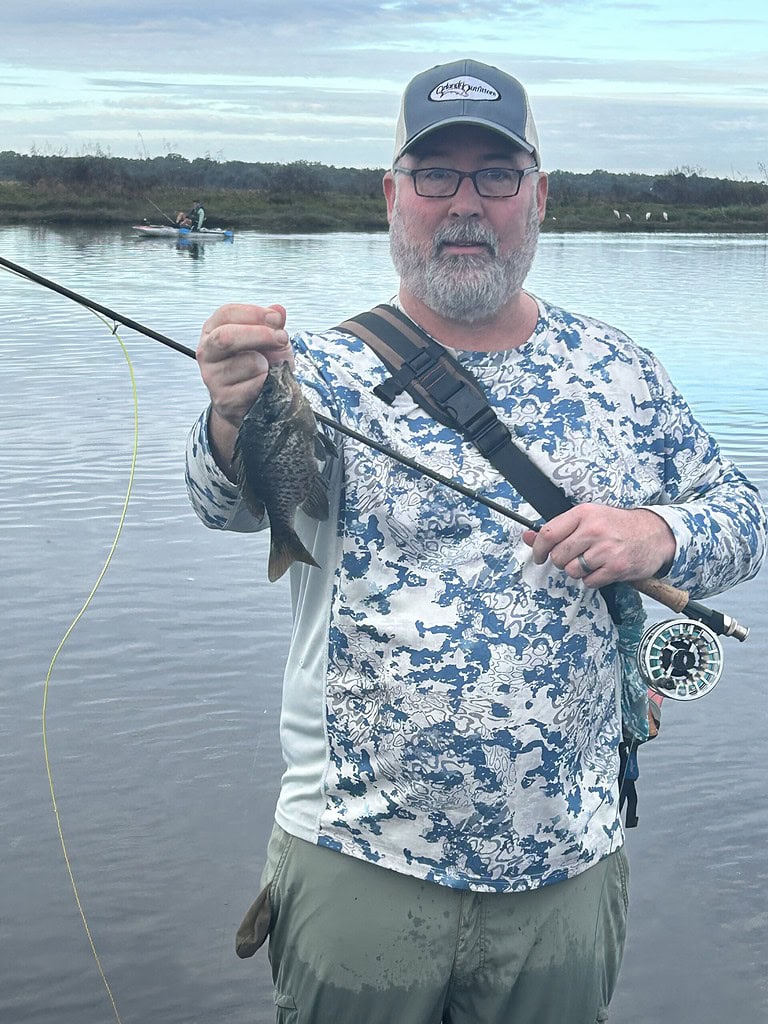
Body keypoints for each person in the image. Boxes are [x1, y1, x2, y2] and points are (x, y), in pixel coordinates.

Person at [185, 59, 766, 1023]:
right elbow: (224, 506)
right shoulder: (315, 369)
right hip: (359, 857)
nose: (466, 204)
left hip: (569, 866)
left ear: (539, 196)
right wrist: (228, 414)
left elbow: (743, 513)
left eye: (496, 176)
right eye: (436, 176)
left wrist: (656, 533)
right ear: (392, 196)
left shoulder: (620, 371)